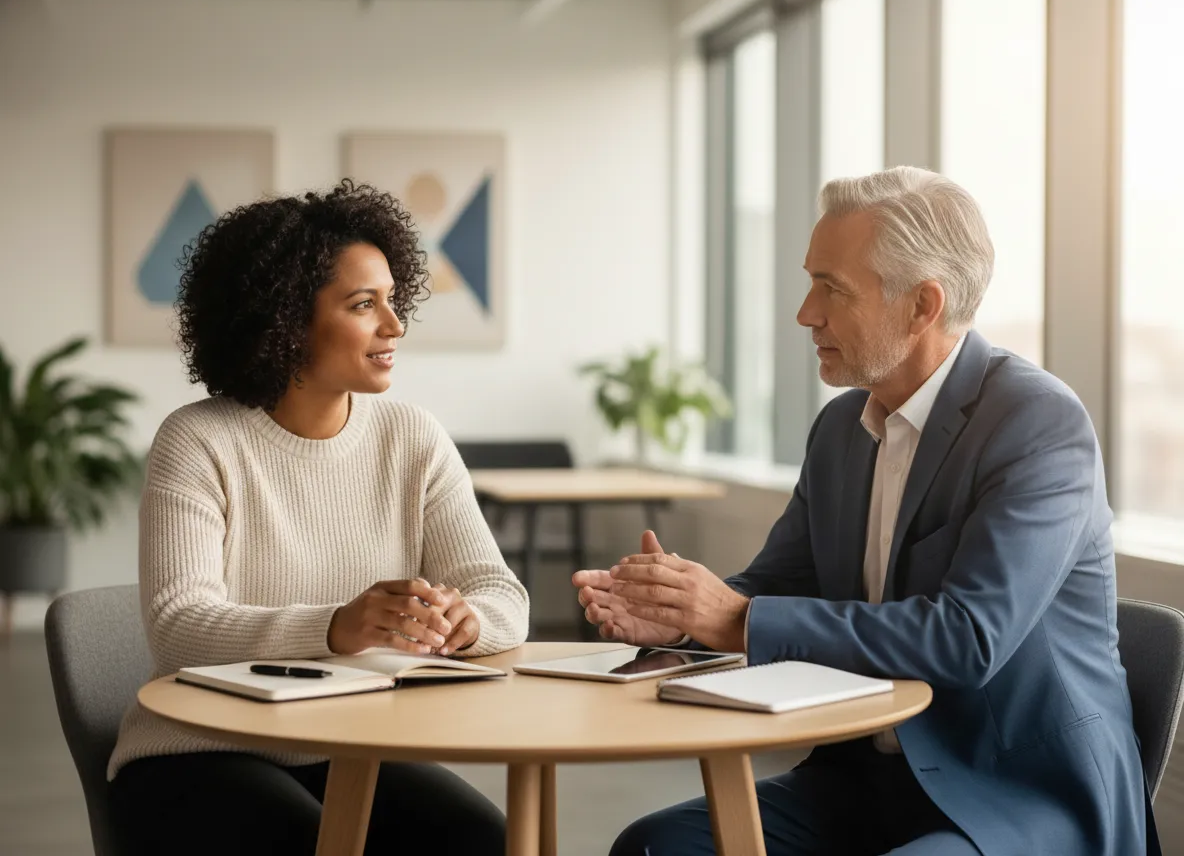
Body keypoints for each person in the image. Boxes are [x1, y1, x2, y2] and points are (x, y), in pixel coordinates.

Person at [574, 167, 1156, 856]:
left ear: (921, 306)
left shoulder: (1036, 424)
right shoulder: (841, 429)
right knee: (654, 847)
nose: (805, 312)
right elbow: (776, 587)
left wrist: (732, 618)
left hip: (1015, 791)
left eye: (832, 288)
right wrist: (679, 616)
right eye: (810, 280)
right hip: (867, 779)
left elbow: (967, 639)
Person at [107, 180, 530, 856]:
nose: (394, 326)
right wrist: (337, 626)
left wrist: (466, 619)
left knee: (489, 842)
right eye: (364, 305)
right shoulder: (198, 441)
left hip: (353, 743)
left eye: (393, 301)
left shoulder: (413, 439)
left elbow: (502, 593)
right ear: (285, 318)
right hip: (198, 751)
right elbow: (179, 630)